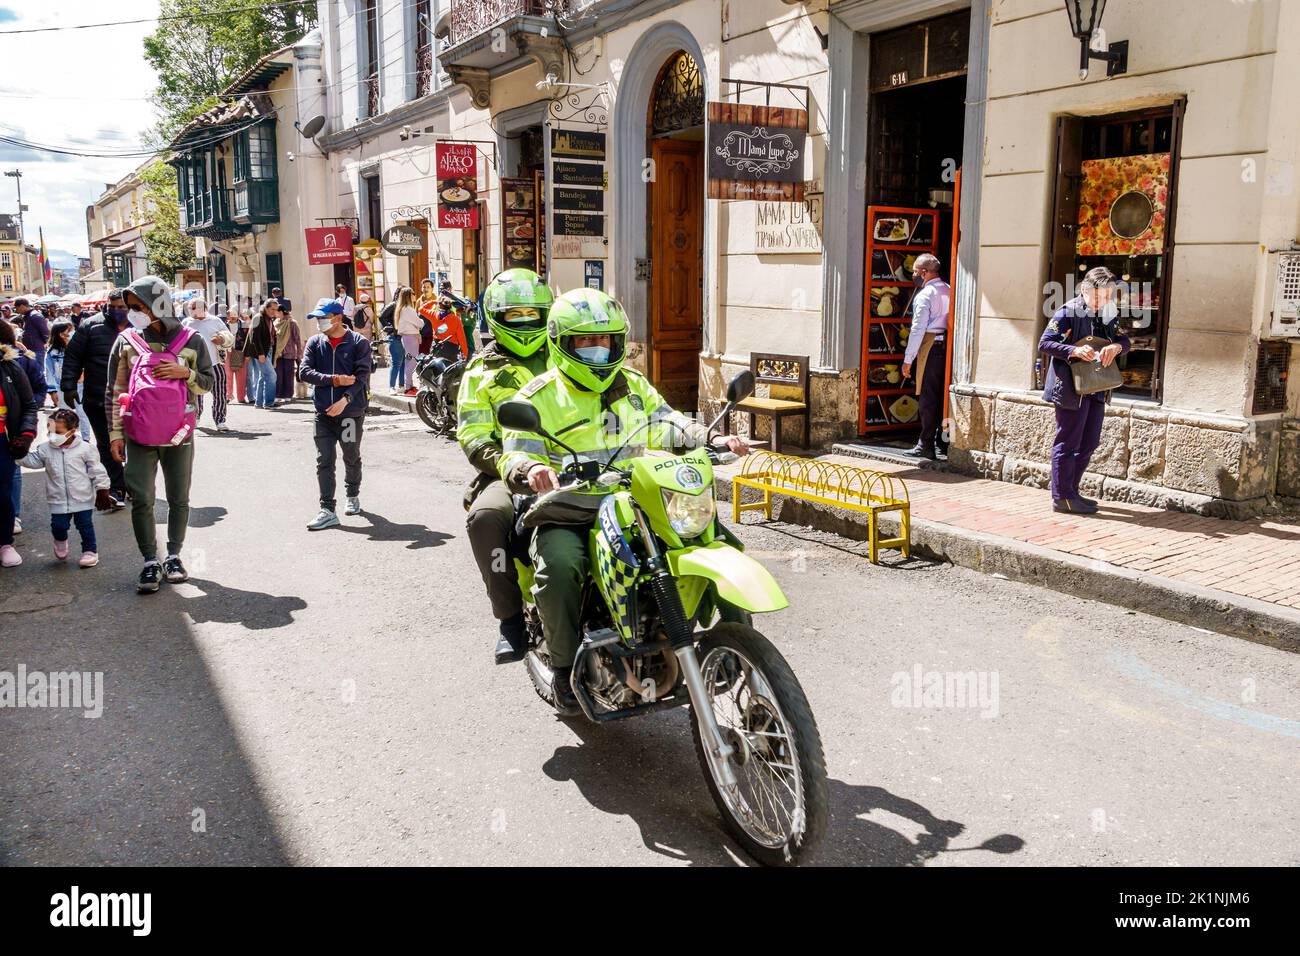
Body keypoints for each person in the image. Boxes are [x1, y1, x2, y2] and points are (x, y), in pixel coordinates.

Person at [499, 289, 750, 712]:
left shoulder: (632, 386)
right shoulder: (538, 396)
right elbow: (516, 451)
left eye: (605, 341)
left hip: (631, 499)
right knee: (560, 566)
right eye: (584, 341)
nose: (597, 350)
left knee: (710, 536)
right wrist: (531, 470)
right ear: (561, 343)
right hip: (567, 508)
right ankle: (562, 671)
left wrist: (711, 437)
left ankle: (737, 643)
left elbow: (666, 423)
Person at [456, 269, 554, 663]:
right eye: (515, 315)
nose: (526, 321)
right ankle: (510, 619)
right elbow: (474, 435)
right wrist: (513, 467)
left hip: (579, 459)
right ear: (496, 317)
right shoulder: (480, 371)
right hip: (509, 471)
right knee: (485, 518)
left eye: (534, 313)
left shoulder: (568, 352)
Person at [107, 275, 214, 593]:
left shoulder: (192, 340)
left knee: (179, 498)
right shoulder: (126, 341)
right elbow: (115, 390)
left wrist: (187, 373)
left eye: (138, 306)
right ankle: (149, 561)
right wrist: (115, 434)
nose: (132, 312)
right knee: (141, 498)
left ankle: (174, 555)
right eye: (130, 307)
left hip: (180, 432)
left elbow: (208, 382)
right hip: (138, 433)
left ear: (158, 304)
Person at [1039, 266, 1129, 515]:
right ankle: (1062, 497)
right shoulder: (1067, 312)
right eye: (1099, 297)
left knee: (1089, 442)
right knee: (1067, 441)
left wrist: (1117, 348)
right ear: (1084, 291)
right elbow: (1045, 343)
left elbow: (1124, 339)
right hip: (1070, 387)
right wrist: (1074, 351)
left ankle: (1072, 491)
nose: (1104, 302)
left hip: (1096, 386)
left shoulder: (1108, 314)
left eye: (1109, 296)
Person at [298, 299, 371, 530]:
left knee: (351, 456)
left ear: (338, 318)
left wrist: (345, 400)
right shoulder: (314, 342)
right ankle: (327, 509)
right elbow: (304, 372)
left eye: (323, 318)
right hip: (322, 414)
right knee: (324, 461)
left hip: (349, 414)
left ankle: (352, 494)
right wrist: (334, 380)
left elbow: (361, 377)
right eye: (318, 319)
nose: (319, 323)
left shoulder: (358, 342)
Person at [18, 407, 111, 568]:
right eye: (50, 431)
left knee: (85, 526)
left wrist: (102, 489)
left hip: (82, 498)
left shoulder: (85, 449)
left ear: (72, 431)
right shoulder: (45, 449)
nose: (53, 435)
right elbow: (33, 461)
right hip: (57, 499)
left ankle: (90, 551)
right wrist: (19, 454)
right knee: (58, 526)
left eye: (58, 432)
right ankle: (60, 540)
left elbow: (97, 470)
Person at [62, 290, 129, 508]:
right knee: (106, 443)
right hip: (98, 398)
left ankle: (136, 485)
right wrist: (69, 386)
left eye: (122, 306)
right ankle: (117, 488)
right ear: (107, 305)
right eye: (114, 306)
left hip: (133, 399)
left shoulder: (140, 326)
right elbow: (73, 357)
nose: (118, 310)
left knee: (134, 443)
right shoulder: (90, 326)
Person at [901, 254, 952, 460]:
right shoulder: (949, 289)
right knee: (941, 396)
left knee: (928, 396)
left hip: (930, 345)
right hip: (946, 345)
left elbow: (917, 329)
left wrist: (908, 359)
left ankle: (926, 443)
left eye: (915, 271)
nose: (913, 275)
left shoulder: (924, 295)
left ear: (924, 272)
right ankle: (943, 442)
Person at [1, 318, 39, 567]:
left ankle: (4, 543)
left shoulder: (12, 368)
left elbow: (29, 406)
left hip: (3, 442)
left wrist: (26, 435)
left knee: (2, 494)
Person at [183, 298, 230, 431]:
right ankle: (196, 417)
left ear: (202, 308)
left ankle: (220, 420)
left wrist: (222, 339)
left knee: (220, 393)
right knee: (196, 393)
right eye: (189, 308)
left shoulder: (215, 321)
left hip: (216, 363)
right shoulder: (186, 322)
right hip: (196, 366)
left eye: (193, 308)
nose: (190, 310)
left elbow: (228, 336)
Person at [45, 320, 92, 434]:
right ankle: (63, 437)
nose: (73, 332)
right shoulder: (52, 353)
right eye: (69, 331)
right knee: (64, 414)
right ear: (61, 334)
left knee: (82, 413)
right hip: (61, 386)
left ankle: (85, 438)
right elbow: (49, 372)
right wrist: (52, 391)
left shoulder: (79, 347)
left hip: (80, 385)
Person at [245, 298, 280, 408]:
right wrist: (260, 354)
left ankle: (259, 403)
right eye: (271, 309)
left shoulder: (268, 319)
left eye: (275, 309)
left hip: (267, 351)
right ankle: (269, 403)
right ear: (266, 307)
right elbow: (255, 338)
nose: (273, 311)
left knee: (263, 376)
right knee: (271, 375)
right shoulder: (258, 318)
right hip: (261, 352)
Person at [394, 286, 421, 396]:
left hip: (408, 337)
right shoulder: (408, 309)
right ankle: (408, 388)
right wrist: (421, 321)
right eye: (413, 293)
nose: (415, 295)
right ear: (408, 296)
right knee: (411, 362)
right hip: (410, 338)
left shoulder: (403, 309)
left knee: (409, 362)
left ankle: (409, 386)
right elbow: (419, 323)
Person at [14, 297, 50, 374]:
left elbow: (45, 332)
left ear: (22, 306)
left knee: (38, 372)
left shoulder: (35, 316)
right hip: (31, 349)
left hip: (36, 349)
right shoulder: (28, 316)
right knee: (32, 372)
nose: (16, 311)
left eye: (17, 308)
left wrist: (44, 344)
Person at [381, 292, 405, 393]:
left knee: (403, 363)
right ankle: (391, 387)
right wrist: (392, 328)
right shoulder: (393, 304)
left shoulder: (404, 306)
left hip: (403, 336)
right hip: (395, 337)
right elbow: (381, 316)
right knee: (396, 363)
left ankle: (401, 386)